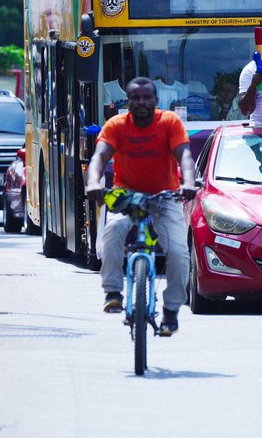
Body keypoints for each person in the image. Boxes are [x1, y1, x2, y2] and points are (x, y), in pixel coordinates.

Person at [84, 77, 197, 336]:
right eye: (136, 98)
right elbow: (99, 157)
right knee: (112, 230)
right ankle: (113, 292)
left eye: (147, 98)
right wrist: (93, 182)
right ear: (128, 102)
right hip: (126, 196)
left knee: (180, 255)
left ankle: (170, 310)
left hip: (165, 196)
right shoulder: (116, 125)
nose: (142, 102)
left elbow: (185, 156)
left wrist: (188, 182)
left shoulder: (169, 122)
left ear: (156, 101)